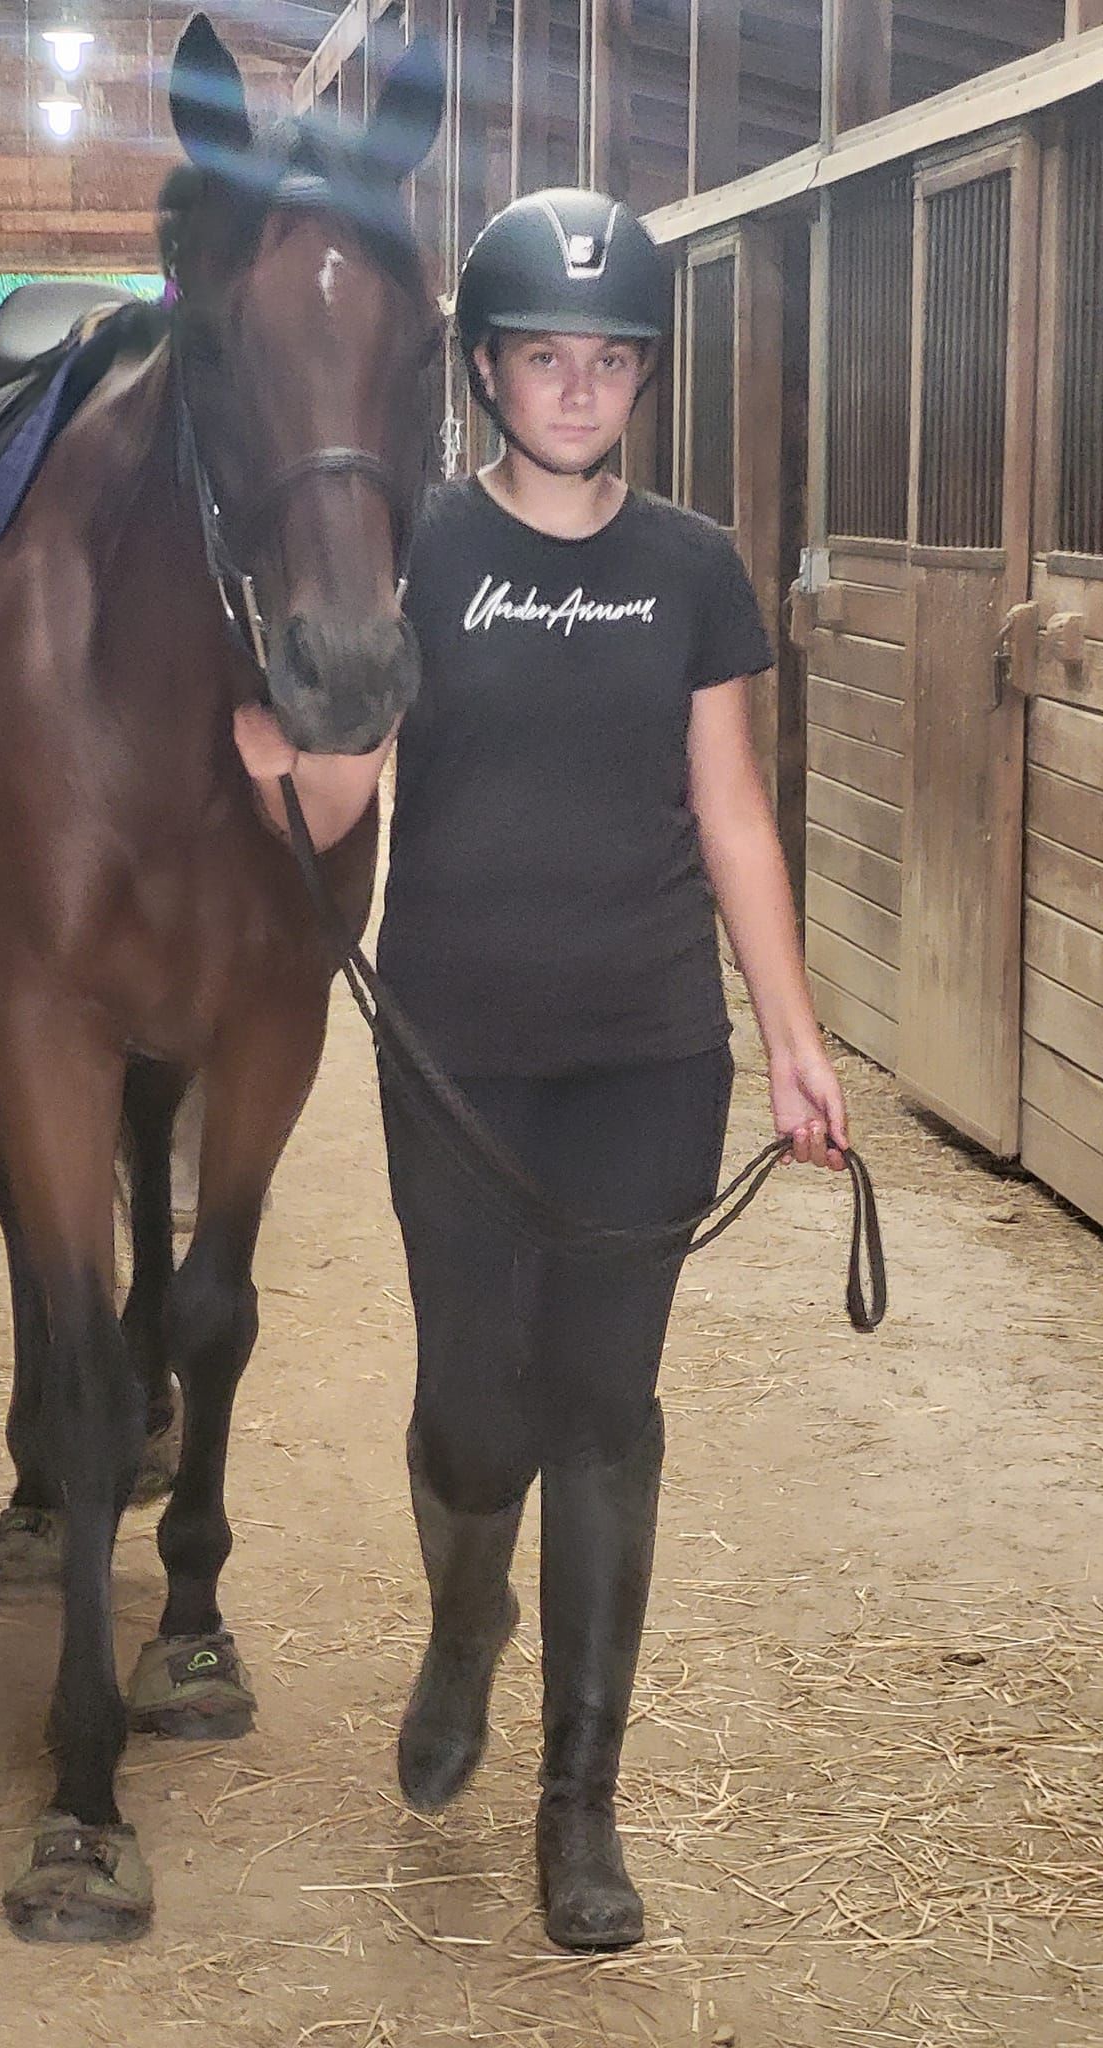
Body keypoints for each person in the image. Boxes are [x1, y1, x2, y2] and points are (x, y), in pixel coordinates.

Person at [231, 189, 848, 1953]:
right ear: (488, 371)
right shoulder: (415, 545)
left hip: (649, 1051)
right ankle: (462, 1617)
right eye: (543, 356)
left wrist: (793, 1040)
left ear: (637, 374)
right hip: (452, 1050)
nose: (577, 386)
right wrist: (261, 740)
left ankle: (580, 1801)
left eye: (608, 358)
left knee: (603, 1406)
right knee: (470, 1407)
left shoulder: (694, 567)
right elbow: (345, 794)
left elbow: (731, 816)